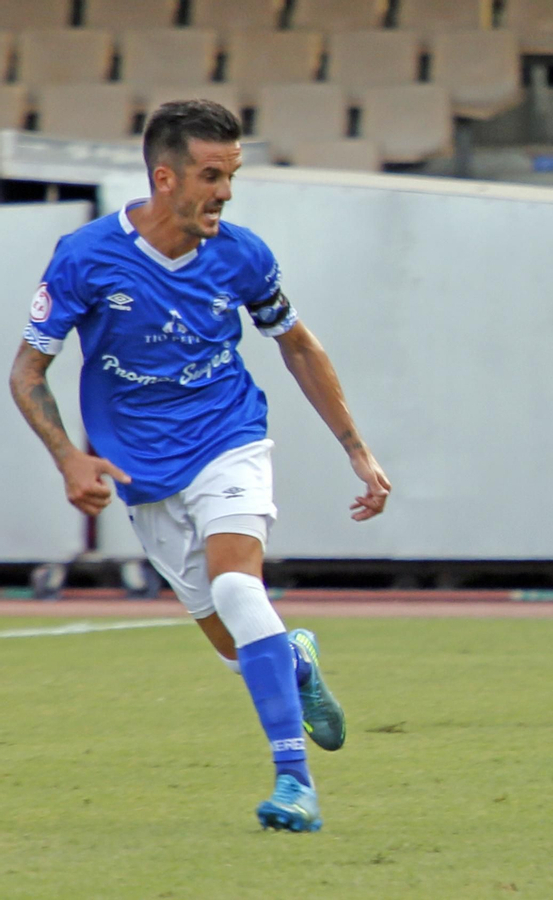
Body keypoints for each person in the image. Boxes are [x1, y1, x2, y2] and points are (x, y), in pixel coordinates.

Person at [8, 100, 390, 833]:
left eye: (233, 175)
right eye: (212, 176)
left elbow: (298, 345)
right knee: (236, 644)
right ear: (165, 177)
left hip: (229, 437)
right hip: (143, 473)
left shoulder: (243, 254)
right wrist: (67, 457)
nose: (225, 192)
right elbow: (27, 371)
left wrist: (355, 447)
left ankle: (295, 784)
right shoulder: (86, 257)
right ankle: (297, 662)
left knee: (240, 588)